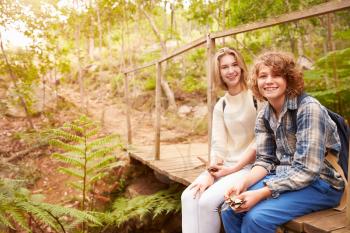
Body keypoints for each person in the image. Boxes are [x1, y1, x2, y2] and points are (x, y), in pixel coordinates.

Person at [221, 51, 345, 233]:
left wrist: (261, 193)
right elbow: (264, 160)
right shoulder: (264, 113)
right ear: (256, 82)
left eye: (276, 75)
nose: (269, 81)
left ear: (289, 79)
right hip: (283, 176)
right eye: (263, 76)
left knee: (257, 219)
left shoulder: (308, 109)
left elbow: (307, 170)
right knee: (229, 209)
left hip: (321, 183)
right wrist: (244, 183)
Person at [181, 47, 258, 233]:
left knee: (207, 202)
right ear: (219, 72)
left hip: (248, 166)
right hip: (225, 166)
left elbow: (261, 140)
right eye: (225, 67)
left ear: (241, 67)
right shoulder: (221, 105)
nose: (231, 71)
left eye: (234, 65)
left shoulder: (256, 96)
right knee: (189, 196)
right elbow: (218, 145)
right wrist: (210, 173)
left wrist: (233, 168)